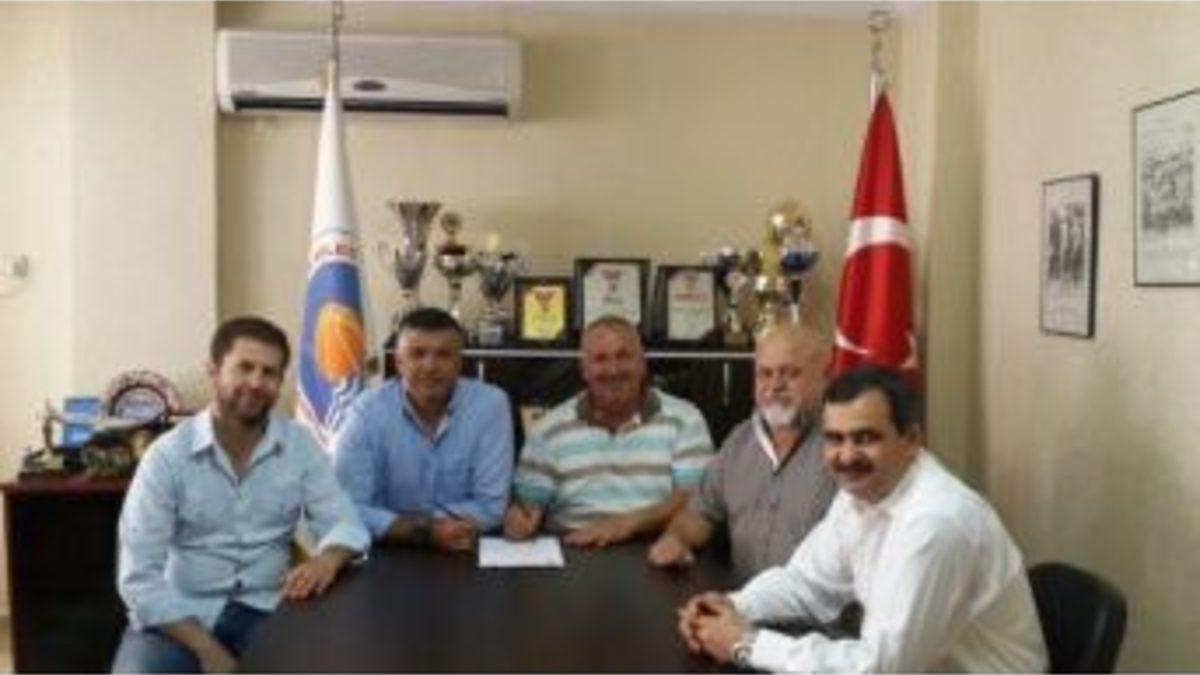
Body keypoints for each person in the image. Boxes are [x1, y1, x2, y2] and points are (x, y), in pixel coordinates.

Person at [678, 365, 1047, 673]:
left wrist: (747, 644)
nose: (846, 456)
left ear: (912, 439)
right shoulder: (863, 492)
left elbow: (881, 667)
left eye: (865, 438)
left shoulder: (935, 523)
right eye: (834, 438)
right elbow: (808, 582)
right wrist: (731, 607)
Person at [112, 316, 369, 674]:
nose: (256, 383)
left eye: (269, 373)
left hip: (269, 608)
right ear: (214, 372)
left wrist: (327, 559)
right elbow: (138, 580)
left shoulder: (300, 446)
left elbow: (346, 523)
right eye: (244, 368)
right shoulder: (166, 457)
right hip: (178, 616)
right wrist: (207, 649)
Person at [503, 315, 714, 547]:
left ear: (642, 364)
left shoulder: (685, 420)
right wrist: (518, 520)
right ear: (584, 370)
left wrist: (626, 524)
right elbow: (527, 507)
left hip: (658, 548)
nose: (613, 370)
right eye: (600, 359)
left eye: (623, 356)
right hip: (575, 548)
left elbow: (696, 500)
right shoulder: (549, 429)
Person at [647, 325, 837, 581]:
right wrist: (676, 539)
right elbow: (698, 514)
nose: (775, 385)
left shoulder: (844, 447)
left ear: (825, 378)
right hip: (740, 602)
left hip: (819, 605)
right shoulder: (739, 442)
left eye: (790, 373)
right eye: (765, 374)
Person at [333, 307, 513, 551]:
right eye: (417, 354)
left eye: (443, 355)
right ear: (399, 362)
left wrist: (400, 522)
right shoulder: (366, 412)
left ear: (460, 362)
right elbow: (346, 507)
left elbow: (491, 507)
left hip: (463, 545)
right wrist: (424, 530)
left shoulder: (490, 405)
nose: (430, 366)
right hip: (388, 549)